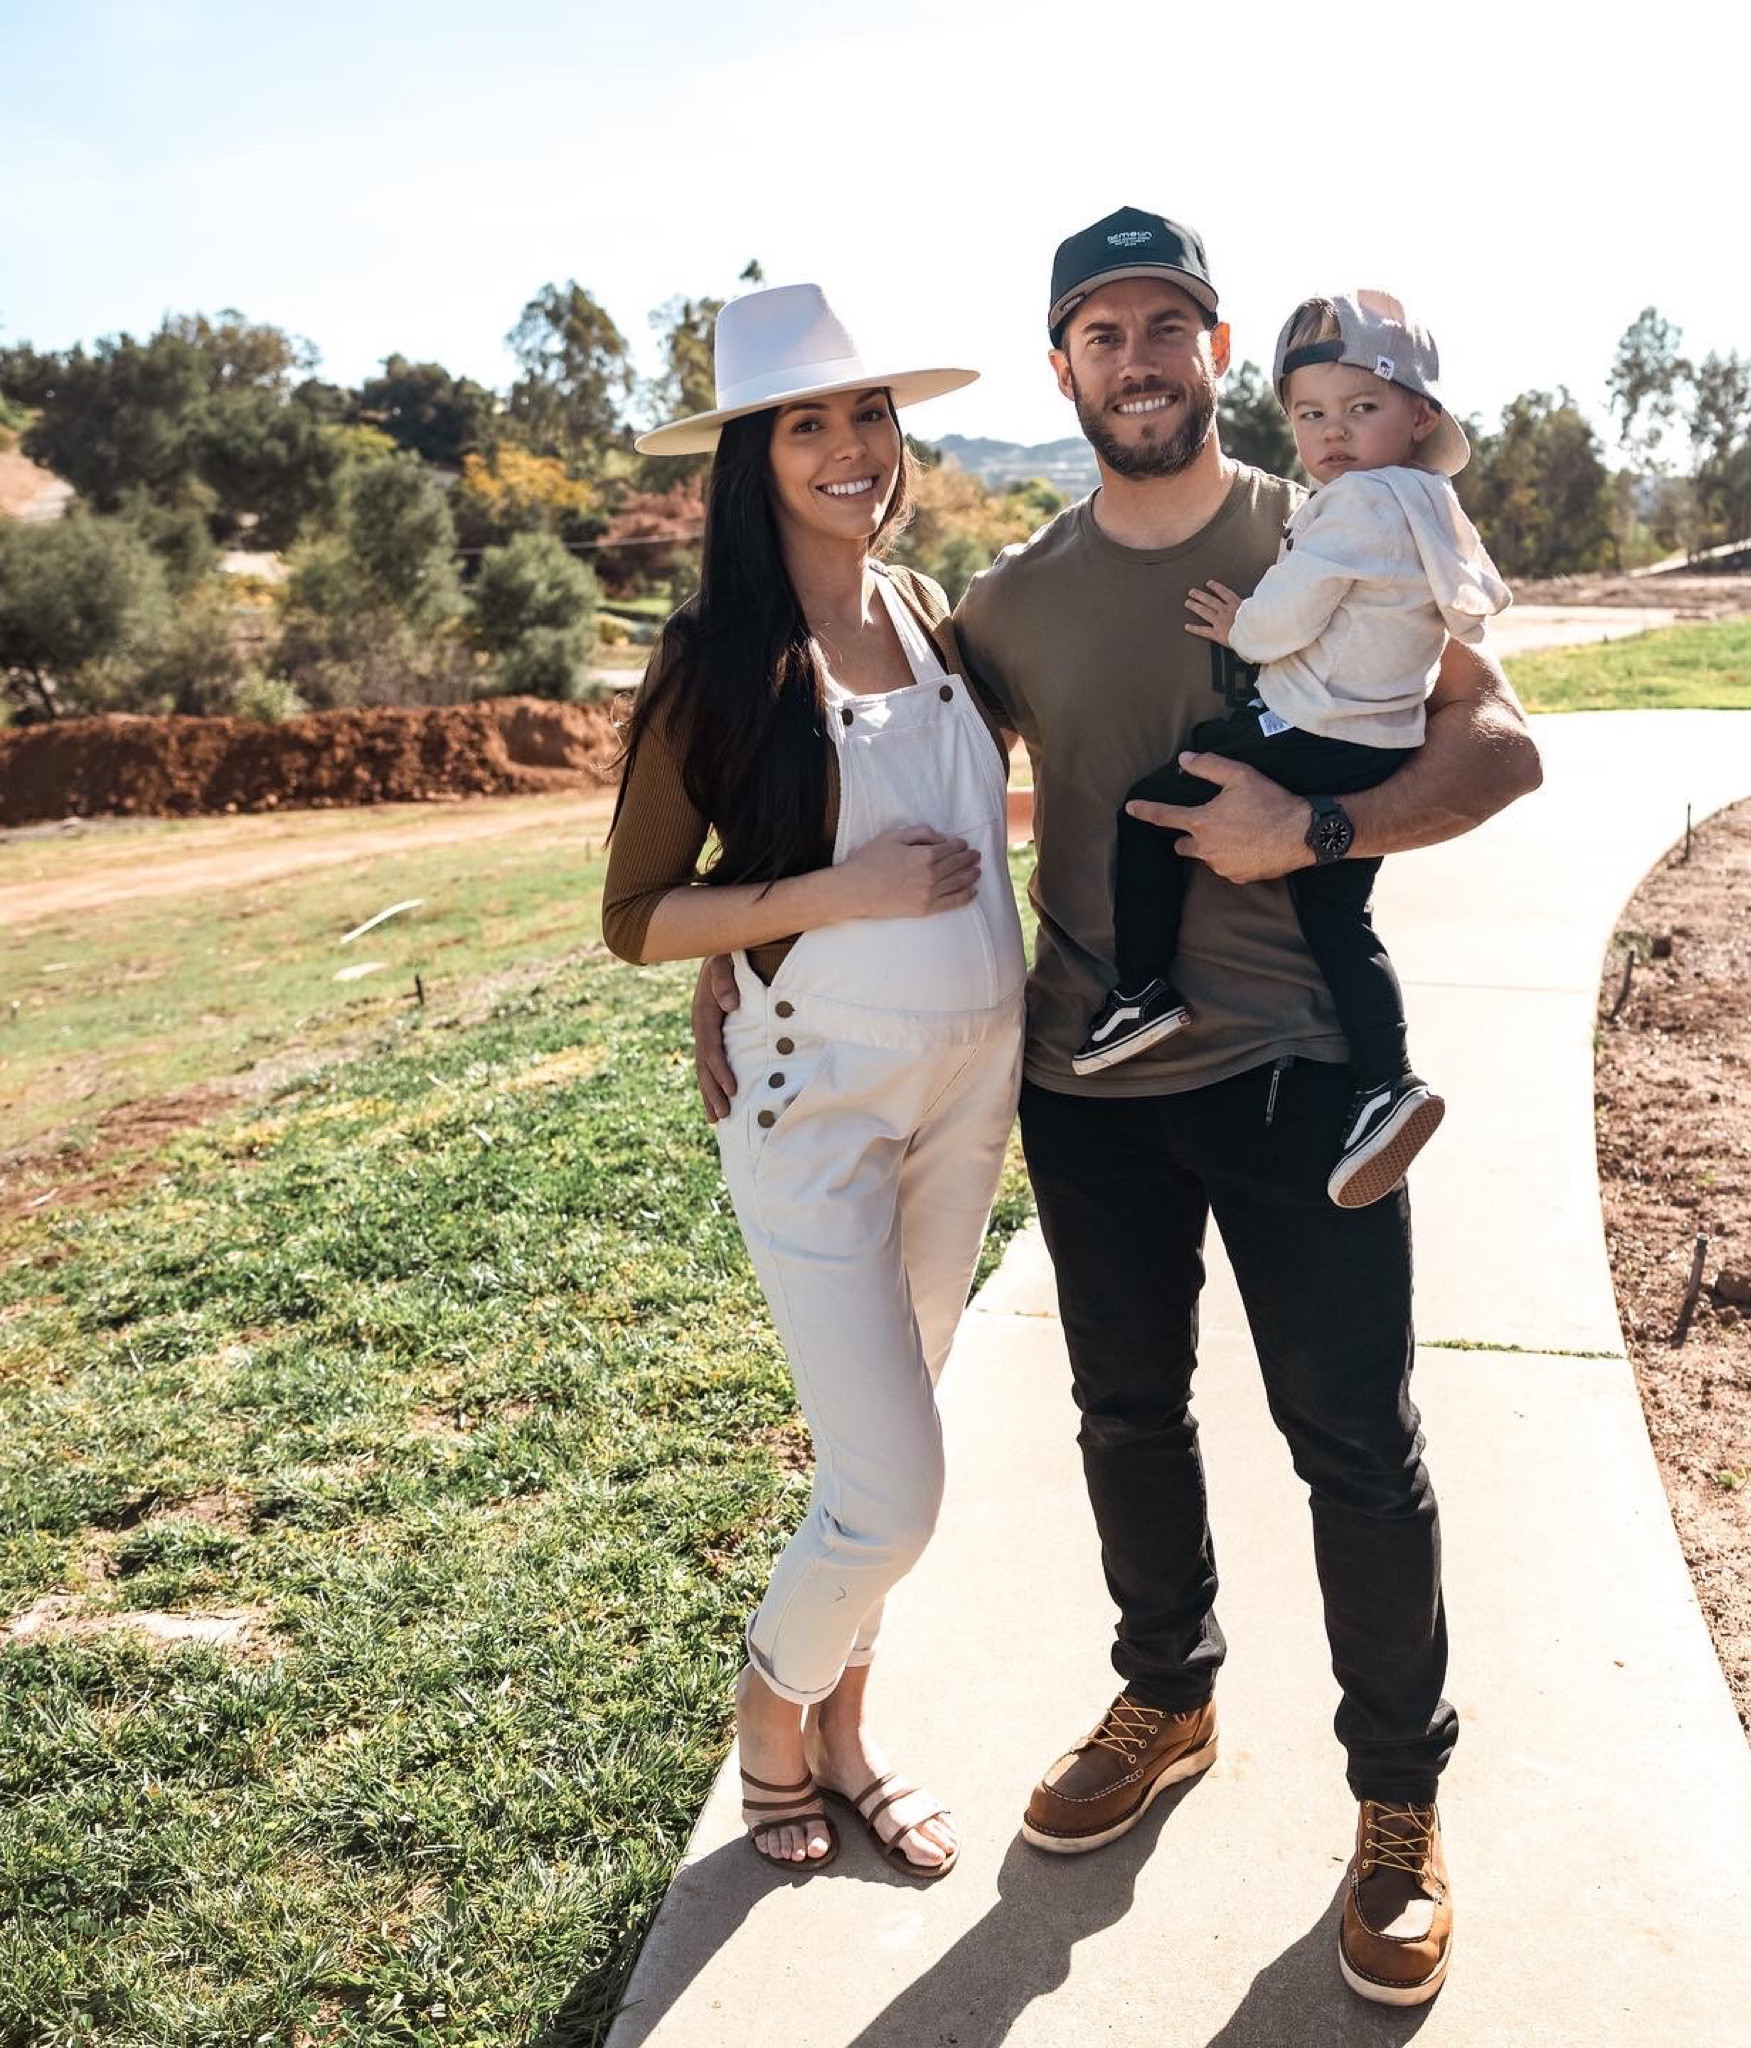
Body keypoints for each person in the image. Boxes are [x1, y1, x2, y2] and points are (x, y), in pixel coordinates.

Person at [693, 209, 1540, 2005]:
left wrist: (1313, 827)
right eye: (1101, 330)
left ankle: (1396, 1806)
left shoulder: (1335, 511)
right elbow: (864, 767)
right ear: (1060, 364)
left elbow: (1498, 744)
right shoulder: (1002, 602)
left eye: (1169, 326)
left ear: (1218, 355)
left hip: (1305, 1073)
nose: (1138, 358)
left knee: (1354, 1446)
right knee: (1123, 1417)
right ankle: (1167, 1689)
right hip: (1086, 1077)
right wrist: (734, 949)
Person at [605, 282, 1026, 1880]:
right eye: (809, 424)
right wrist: (819, 900)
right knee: (900, 1490)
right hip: (818, 1110)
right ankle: (772, 1718)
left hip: (968, 1100)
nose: (851, 447)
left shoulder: (930, 612)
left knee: (877, 1463)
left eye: (867, 415)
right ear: (752, 458)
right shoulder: (719, 660)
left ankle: (852, 1735)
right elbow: (637, 915)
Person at [1077, 287, 1511, 1212]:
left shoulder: (1350, 507)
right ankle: (1387, 1080)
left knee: (1157, 803)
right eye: (1312, 414)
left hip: (1309, 733)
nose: (1334, 434)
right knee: (1339, 923)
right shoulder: (1434, 507)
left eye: (1362, 408)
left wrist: (1242, 624)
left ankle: (1143, 988)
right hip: (1378, 746)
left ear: (1418, 414)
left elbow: (1285, 615)